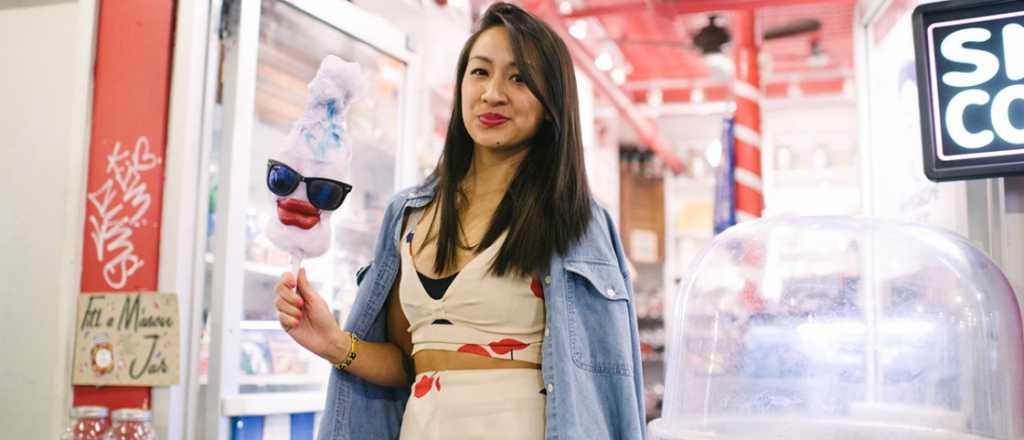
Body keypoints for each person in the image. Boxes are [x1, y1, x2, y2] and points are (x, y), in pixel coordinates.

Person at [274, 3, 646, 439]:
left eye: (519, 77)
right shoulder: (409, 214)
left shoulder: (576, 220)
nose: (493, 93)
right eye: (480, 72)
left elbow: (610, 383)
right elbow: (411, 359)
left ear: (551, 103)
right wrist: (334, 343)